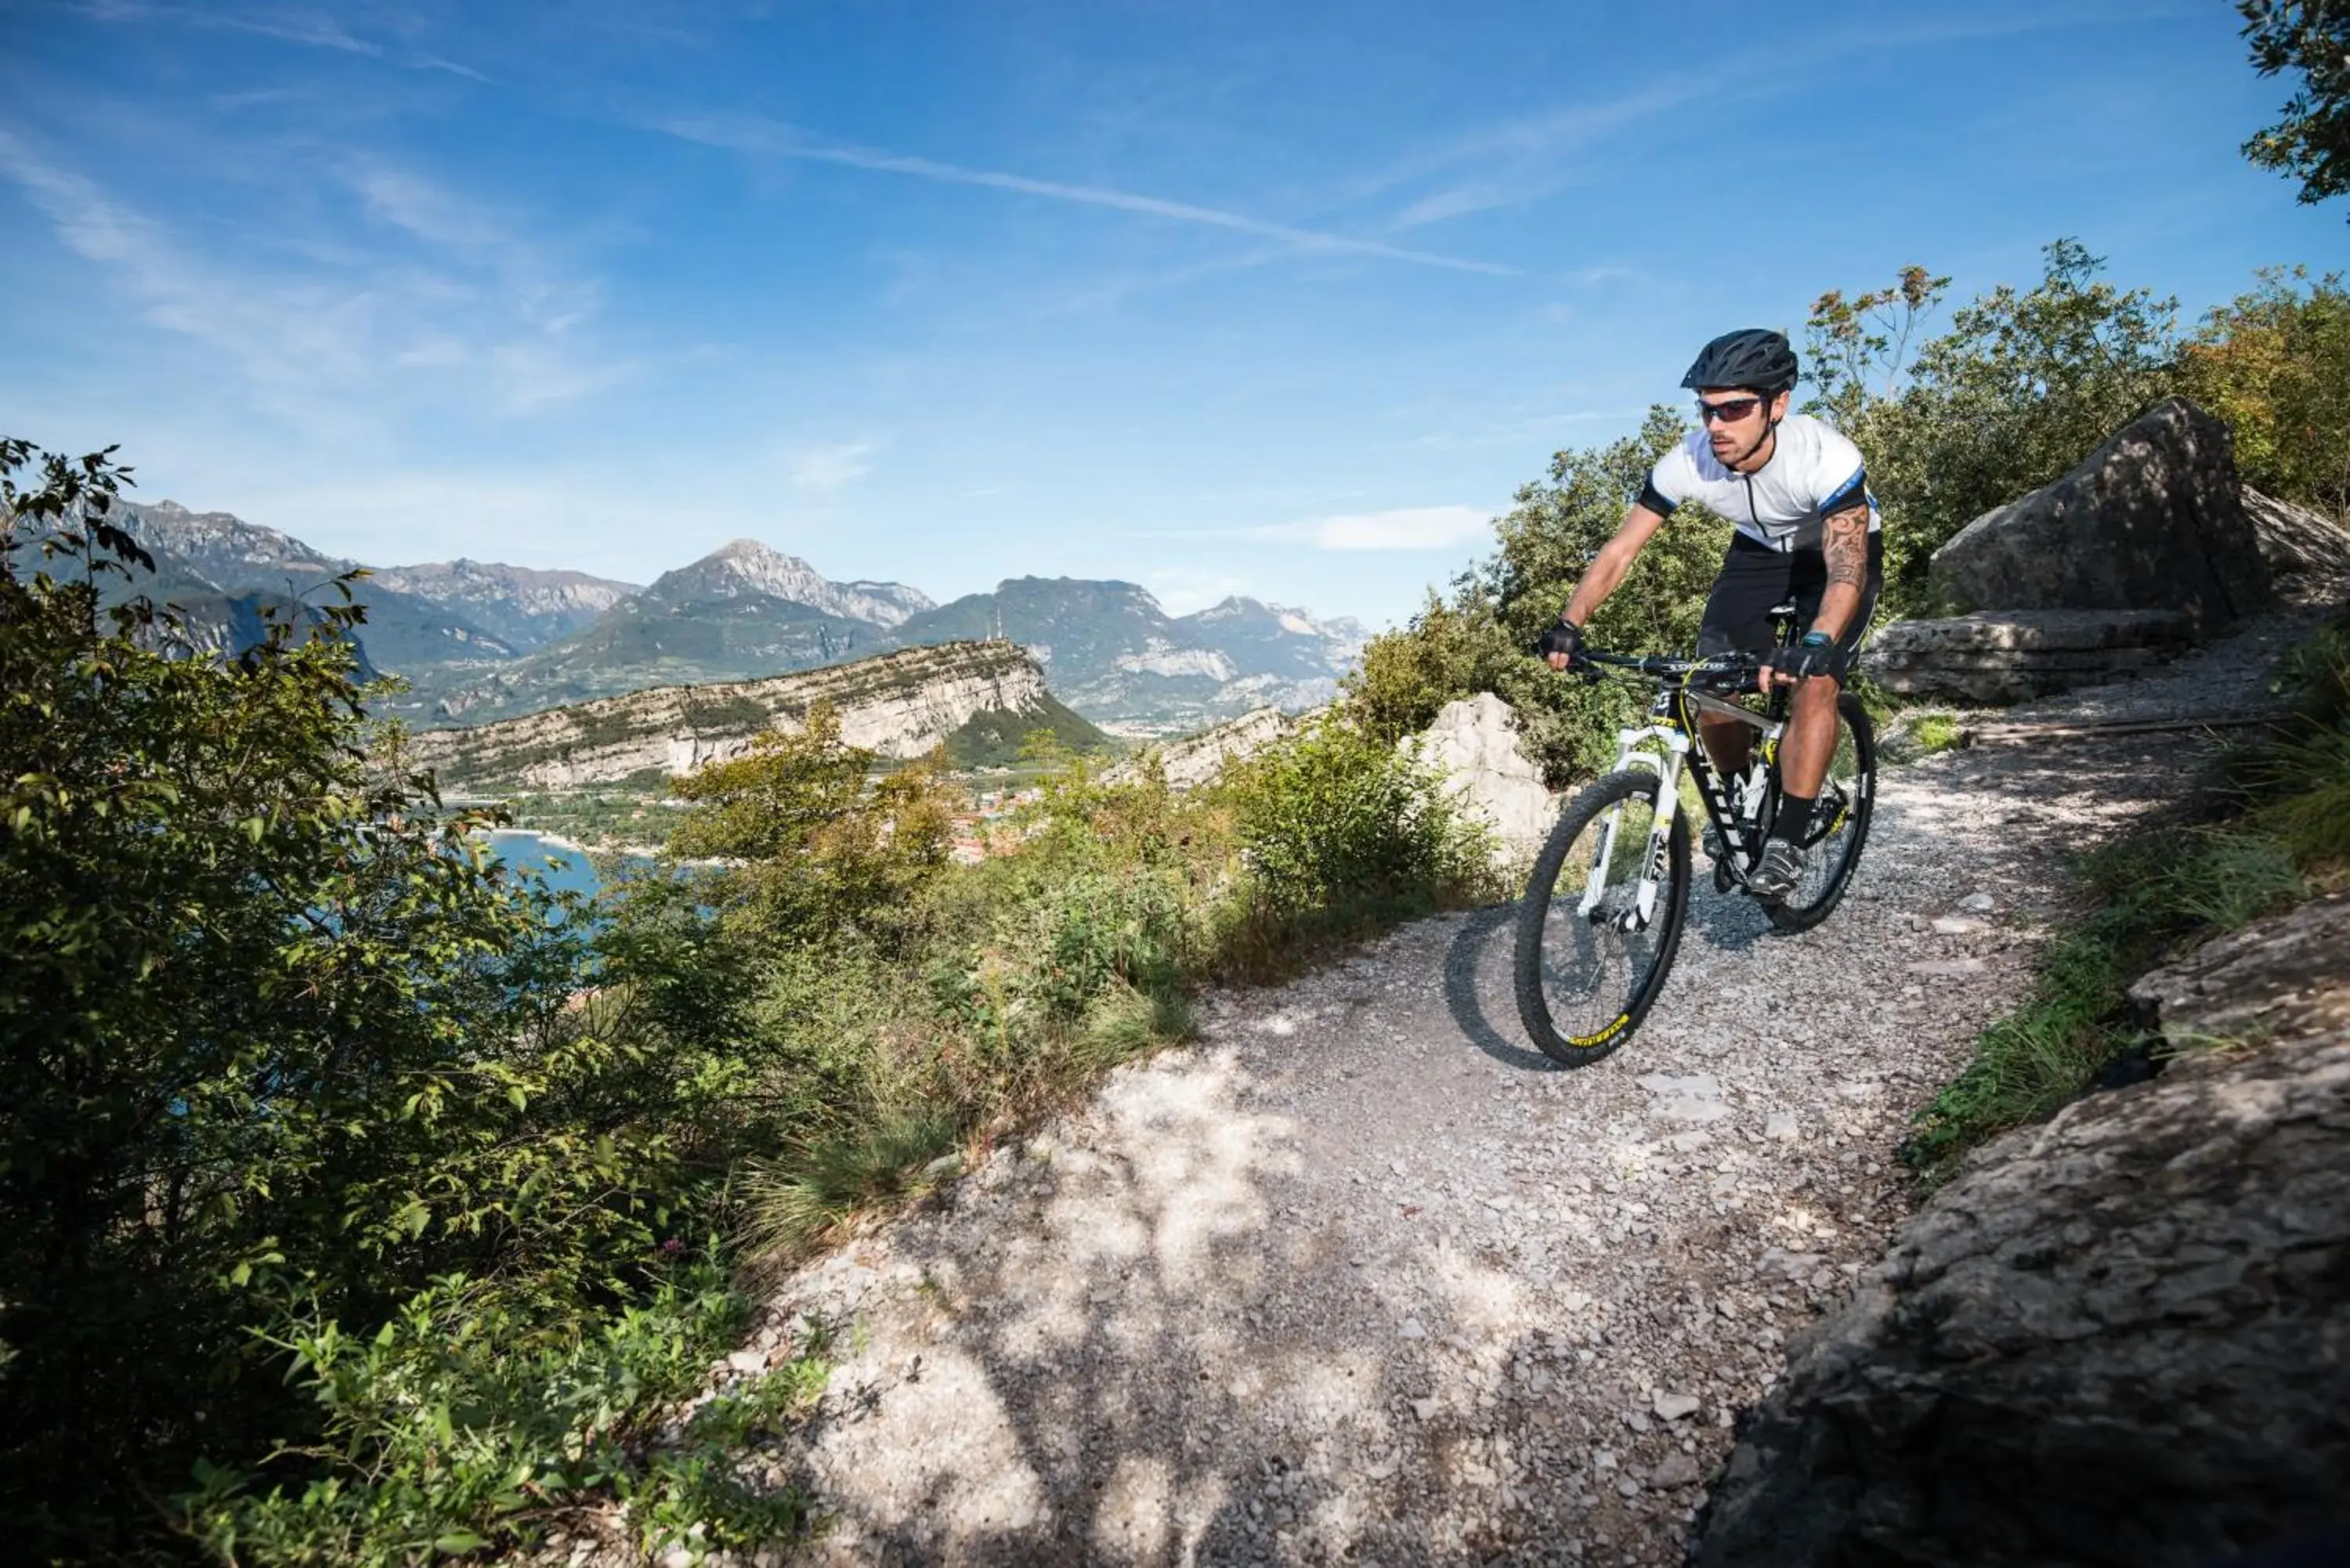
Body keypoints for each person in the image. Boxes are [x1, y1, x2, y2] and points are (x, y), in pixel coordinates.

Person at [1536, 327, 1882, 900]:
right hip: (1758, 554)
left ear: (1777, 406)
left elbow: (1846, 570)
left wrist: (1816, 642)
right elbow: (1621, 550)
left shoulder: (1825, 456)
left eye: (1734, 409)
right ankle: (1739, 795)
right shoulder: (1690, 461)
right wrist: (1570, 623)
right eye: (1706, 410)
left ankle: (1789, 841)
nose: (1716, 425)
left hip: (1835, 555)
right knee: (1709, 680)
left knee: (1816, 682)